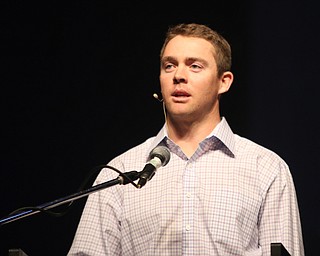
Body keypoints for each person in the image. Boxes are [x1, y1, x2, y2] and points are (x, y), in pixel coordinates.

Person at [68, 23, 304, 255]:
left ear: (224, 81)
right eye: (169, 66)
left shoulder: (266, 168)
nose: (179, 76)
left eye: (195, 66)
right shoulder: (119, 172)